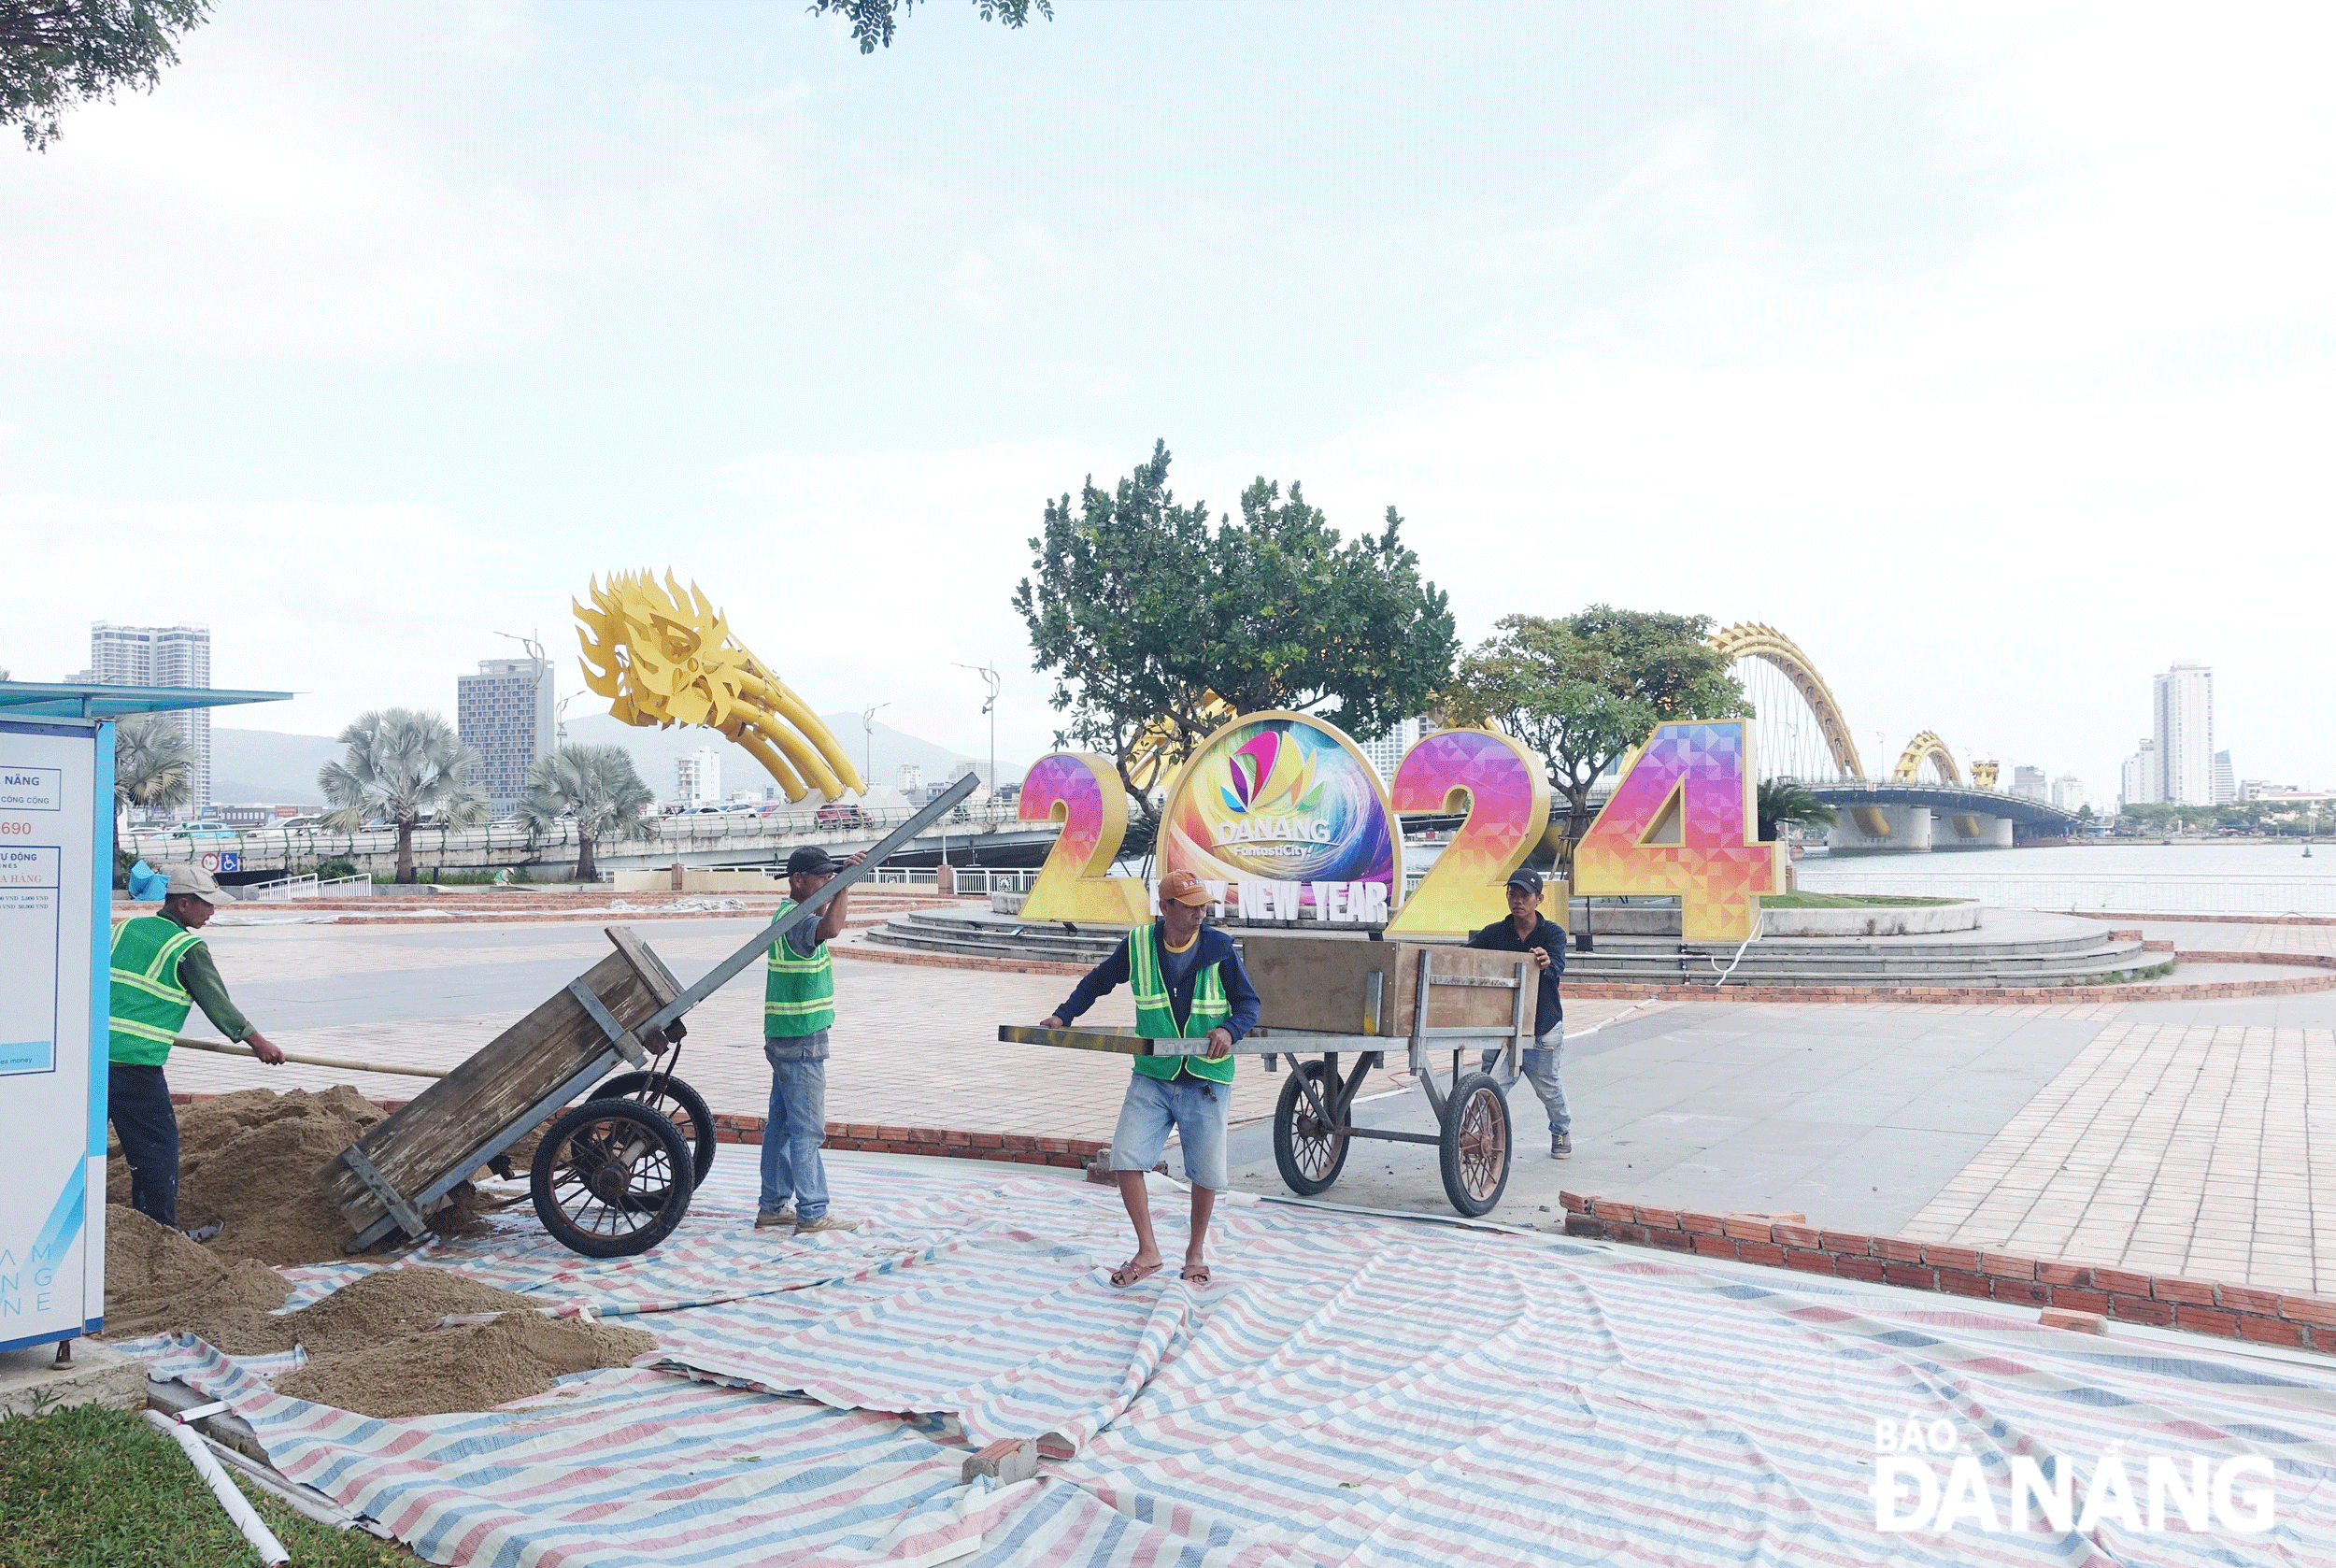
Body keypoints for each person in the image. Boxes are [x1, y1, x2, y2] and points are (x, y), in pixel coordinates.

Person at [1039, 869, 1261, 1289]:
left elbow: (1249, 1002)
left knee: (1207, 1173)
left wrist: (1230, 1030)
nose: (1200, 913)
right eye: (1191, 906)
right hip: (1154, 1074)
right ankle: (1149, 1251)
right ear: (1166, 908)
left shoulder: (1218, 946)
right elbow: (1099, 981)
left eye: (1203, 906)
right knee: (1126, 1157)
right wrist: (1064, 1014)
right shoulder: (1140, 944)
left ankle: (1195, 1252)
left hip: (1206, 1077)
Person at [107, 865, 286, 1231]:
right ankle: (158, 1233)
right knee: (155, 1150)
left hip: (90, 1058)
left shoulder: (124, 927)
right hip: (135, 1065)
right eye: (207, 905)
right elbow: (217, 1003)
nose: (212, 912)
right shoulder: (187, 947)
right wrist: (259, 1043)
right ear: (184, 904)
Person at [757, 844, 866, 1235]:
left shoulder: (790, 914)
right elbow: (831, 929)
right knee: (806, 1130)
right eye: (820, 880)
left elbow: (823, 919)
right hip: (801, 1041)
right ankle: (812, 1211)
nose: (826, 887)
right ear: (797, 881)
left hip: (787, 1036)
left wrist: (838, 884)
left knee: (782, 1126)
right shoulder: (798, 922)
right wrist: (845, 887)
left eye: (829, 879)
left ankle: (772, 1205)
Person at [1469, 867, 1572, 1159]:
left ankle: (1561, 1129)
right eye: (1512, 893)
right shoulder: (1494, 933)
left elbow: (1556, 972)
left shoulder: (1552, 934)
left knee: (1549, 1090)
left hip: (1542, 1029)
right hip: (1503, 1029)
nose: (1518, 900)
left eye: (1524, 894)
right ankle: (1479, 1136)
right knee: (1488, 1086)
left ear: (1539, 898)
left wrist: (1545, 963)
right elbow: (1467, 956)